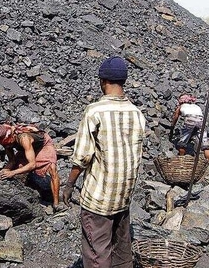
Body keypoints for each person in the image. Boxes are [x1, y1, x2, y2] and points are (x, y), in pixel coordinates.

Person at [62, 56, 146, 268]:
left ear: (102, 81)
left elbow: (82, 156)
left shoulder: (95, 111)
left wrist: (70, 184)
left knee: (97, 254)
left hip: (99, 199)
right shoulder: (137, 114)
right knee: (121, 251)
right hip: (123, 196)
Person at [0, 123, 64, 211]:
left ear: (11, 136)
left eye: (8, 143)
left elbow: (32, 165)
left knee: (52, 168)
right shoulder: (5, 141)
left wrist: (12, 172)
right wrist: (3, 171)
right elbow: (12, 161)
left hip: (42, 146)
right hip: (27, 150)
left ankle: (56, 203)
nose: (7, 145)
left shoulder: (23, 138)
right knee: (16, 168)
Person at [169, 94, 209, 161]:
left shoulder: (181, 107)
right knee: (204, 143)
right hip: (201, 121)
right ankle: (208, 162)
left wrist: (172, 127)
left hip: (189, 119)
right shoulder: (196, 106)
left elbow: (175, 117)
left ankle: (181, 159)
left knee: (182, 142)